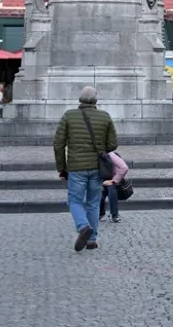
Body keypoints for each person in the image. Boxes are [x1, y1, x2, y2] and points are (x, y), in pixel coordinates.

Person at [54, 86, 118, 251]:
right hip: (97, 167)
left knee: (74, 200)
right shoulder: (105, 117)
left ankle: (83, 226)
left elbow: (58, 144)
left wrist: (61, 168)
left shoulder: (69, 116)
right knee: (93, 203)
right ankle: (92, 240)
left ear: (79, 100)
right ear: (96, 100)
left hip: (76, 167)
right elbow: (112, 144)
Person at [99, 149, 129, 223]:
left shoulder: (111, 155)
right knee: (100, 194)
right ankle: (100, 213)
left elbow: (124, 168)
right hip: (101, 178)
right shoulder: (93, 157)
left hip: (113, 177)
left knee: (111, 190)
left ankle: (114, 215)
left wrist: (114, 180)